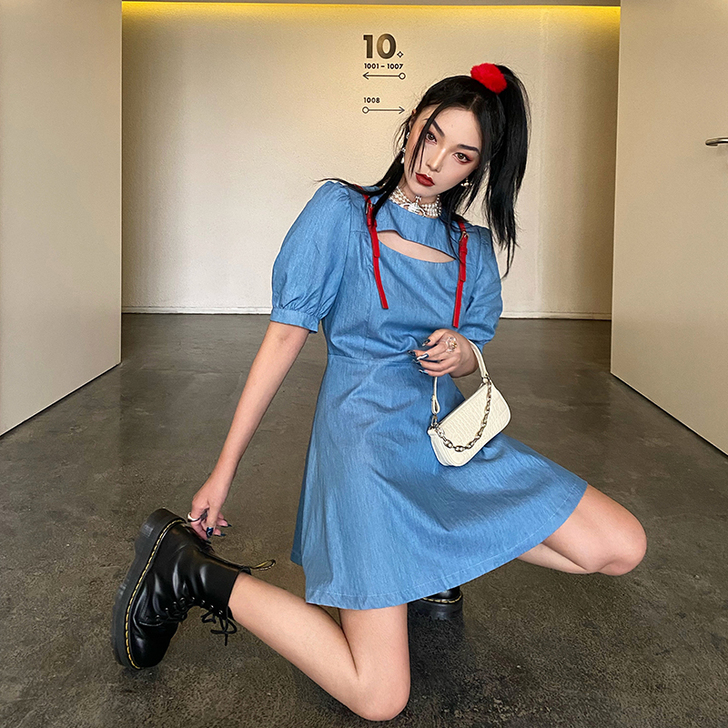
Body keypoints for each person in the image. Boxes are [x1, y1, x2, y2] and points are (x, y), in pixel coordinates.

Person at [111, 63, 647, 722]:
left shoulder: (473, 248)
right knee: (379, 695)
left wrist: (464, 353)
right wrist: (224, 471)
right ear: (413, 121)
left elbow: (470, 362)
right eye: (432, 135)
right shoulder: (341, 213)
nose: (434, 162)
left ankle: (429, 561)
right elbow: (282, 342)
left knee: (619, 545)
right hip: (364, 448)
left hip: (446, 445)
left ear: (476, 171)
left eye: (462, 156)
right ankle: (190, 571)